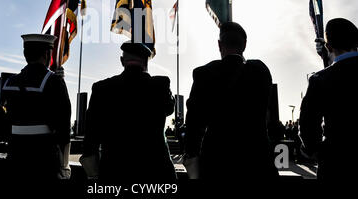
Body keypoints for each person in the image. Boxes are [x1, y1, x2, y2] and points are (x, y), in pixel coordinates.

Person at [184, 22, 278, 180]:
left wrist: (192, 156)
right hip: (257, 162)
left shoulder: (204, 74)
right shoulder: (260, 71)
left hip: (217, 164)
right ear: (245, 45)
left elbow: (194, 123)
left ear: (219, 45)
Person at [80, 42, 176, 180]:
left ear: (121, 61)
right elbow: (169, 109)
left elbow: (91, 136)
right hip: (156, 172)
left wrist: (93, 173)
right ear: (146, 62)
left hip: (114, 171)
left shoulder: (101, 88)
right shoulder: (160, 85)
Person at [1, 34, 71, 181]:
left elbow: (3, 122)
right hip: (43, 157)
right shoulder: (53, 81)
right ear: (47, 54)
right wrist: (64, 165)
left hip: (15, 154)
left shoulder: (9, 82)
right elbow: (63, 127)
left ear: (25, 54)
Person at [299, 18, 358, 181]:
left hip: (336, 164)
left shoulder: (320, 80)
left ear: (329, 46)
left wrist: (314, 151)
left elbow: (308, 124)